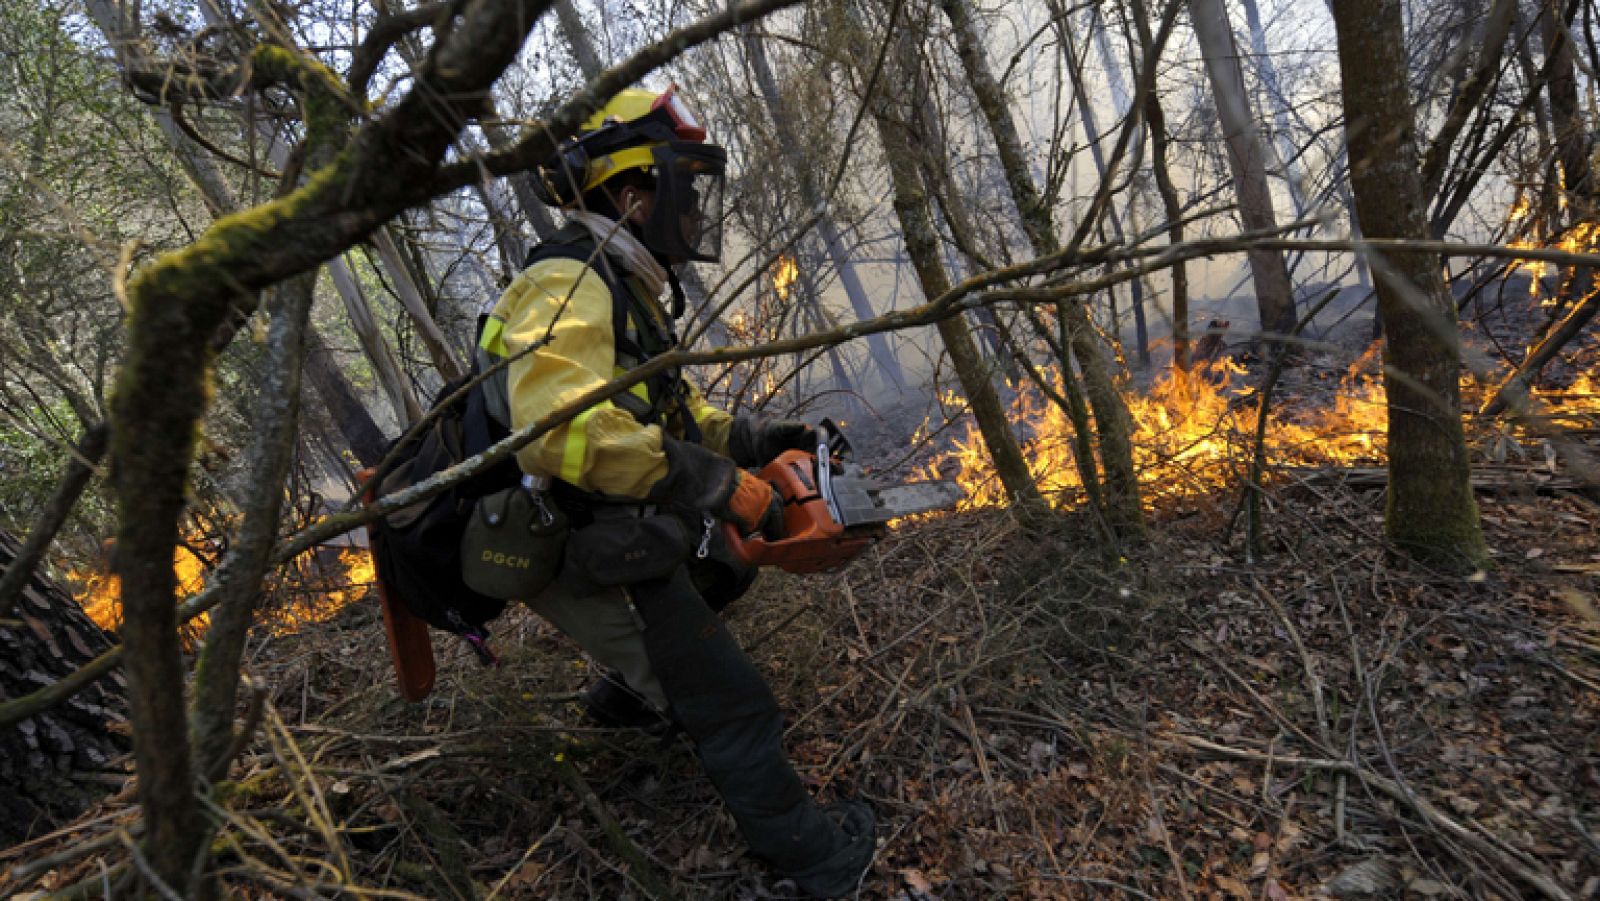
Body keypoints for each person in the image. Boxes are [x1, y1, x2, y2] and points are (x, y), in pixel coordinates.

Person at [473, 84, 876, 898]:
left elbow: (670, 416)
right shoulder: (570, 281)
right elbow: (553, 431)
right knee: (735, 706)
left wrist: (761, 443)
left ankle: (627, 701)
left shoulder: (617, 287)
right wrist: (717, 483)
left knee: (725, 564)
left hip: (607, 522)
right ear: (630, 196)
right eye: (680, 190)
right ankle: (820, 863)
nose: (693, 211)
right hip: (568, 536)